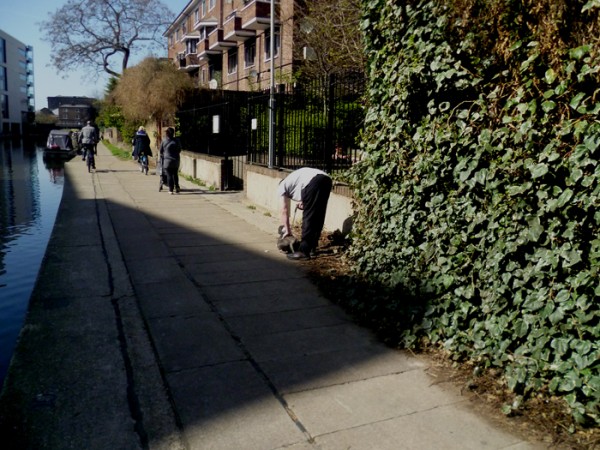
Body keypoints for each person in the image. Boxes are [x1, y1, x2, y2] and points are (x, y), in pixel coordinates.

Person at [278, 167, 332, 260]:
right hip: (326, 180)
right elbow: (306, 189)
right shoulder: (295, 179)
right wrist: (304, 201)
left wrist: (287, 230)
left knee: (309, 217)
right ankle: (312, 248)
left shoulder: (282, 186)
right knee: (318, 215)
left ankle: (303, 251)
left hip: (314, 182)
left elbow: (284, 210)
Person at [159, 127, 181, 194]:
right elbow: (179, 149)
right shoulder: (177, 141)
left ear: (167, 133)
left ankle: (171, 189)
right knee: (175, 174)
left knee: (169, 175)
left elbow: (161, 151)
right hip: (176, 160)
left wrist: (164, 154)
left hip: (167, 161)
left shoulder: (164, 140)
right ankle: (177, 187)